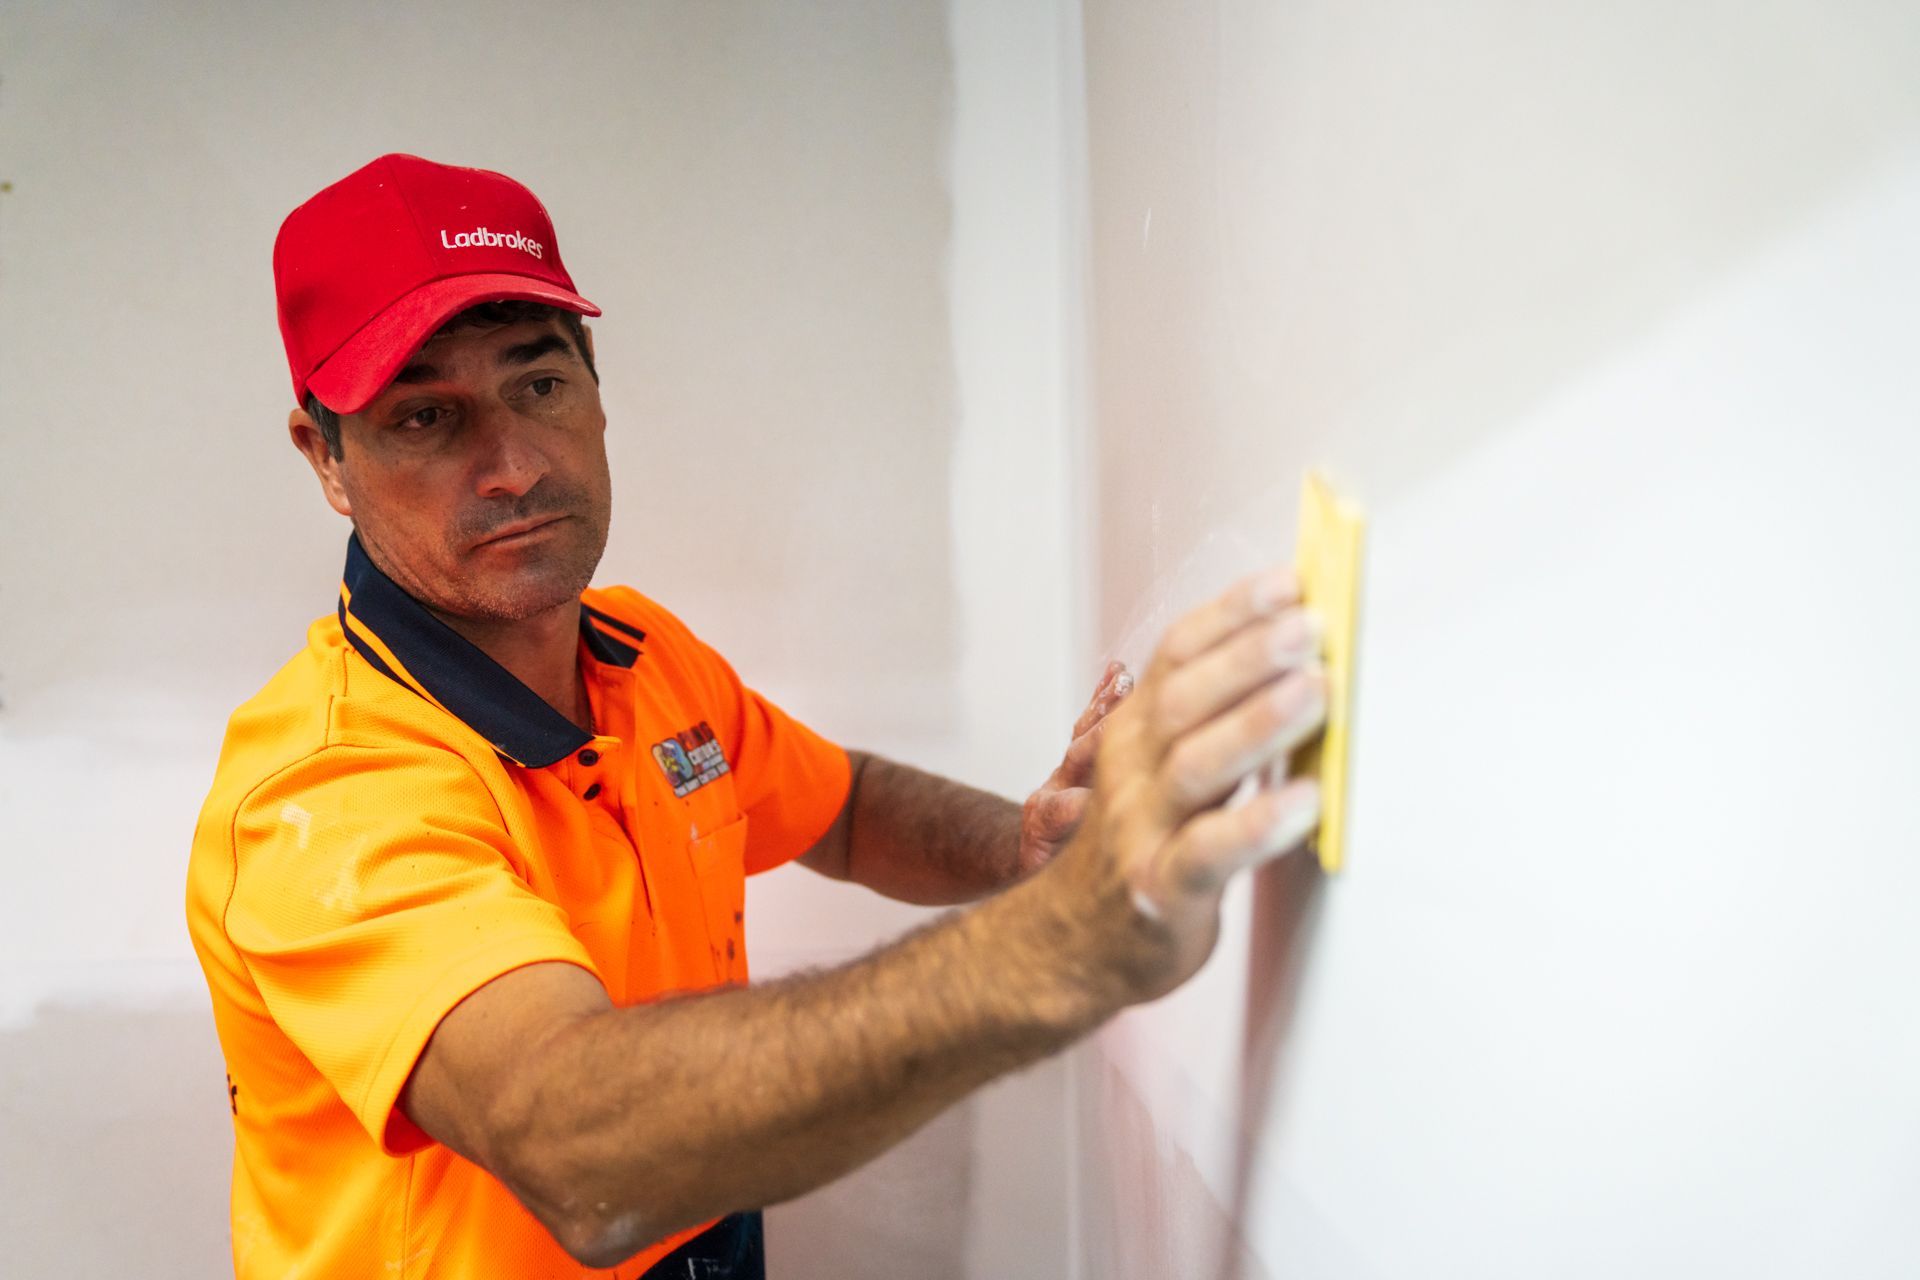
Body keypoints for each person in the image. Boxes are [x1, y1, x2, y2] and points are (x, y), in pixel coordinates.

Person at [185, 153, 1327, 1280]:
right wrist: (1061, 940)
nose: (514, 467)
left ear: (595, 385)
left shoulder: (642, 653)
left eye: (538, 384)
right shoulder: (324, 795)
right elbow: (579, 1150)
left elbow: (847, 808)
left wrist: (1023, 848)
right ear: (327, 459)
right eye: (426, 417)